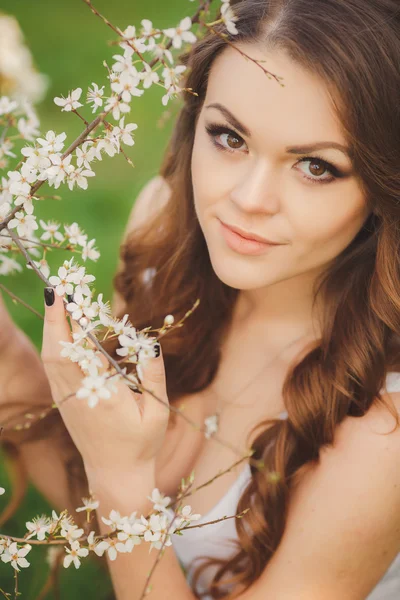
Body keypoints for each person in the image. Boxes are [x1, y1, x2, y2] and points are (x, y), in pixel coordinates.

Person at [3, 0, 400, 598]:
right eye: (229, 136)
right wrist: (19, 380)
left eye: (316, 165)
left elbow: (123, 505)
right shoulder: (161, 235)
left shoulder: (385, 431)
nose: (248, 198)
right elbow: (106, 528)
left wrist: (123, 479)